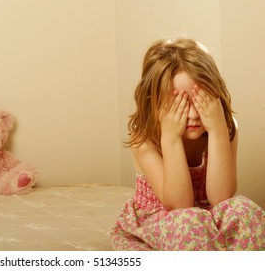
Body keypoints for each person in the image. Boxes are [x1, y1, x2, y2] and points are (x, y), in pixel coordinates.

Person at [110, 37, 264, 250]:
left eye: (200, 101)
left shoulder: (224, 128)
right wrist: (170, 139)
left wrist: (218, 131)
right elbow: (179, 205)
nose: (192, 115)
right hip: (164, 220)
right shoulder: (145, 140)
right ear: (154, 104)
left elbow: (221, 198)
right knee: (190, 221)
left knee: (244, 209)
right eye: (179, 105)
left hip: (209, 216)